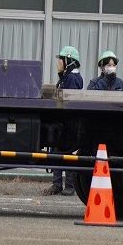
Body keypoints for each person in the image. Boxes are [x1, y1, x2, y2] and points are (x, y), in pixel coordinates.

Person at [48, 45, 84, 194]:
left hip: (69, 123)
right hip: (62, 122)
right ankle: (57, 184)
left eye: (61, 59)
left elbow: (68, 102)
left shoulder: (73, 78)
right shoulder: (66, 77)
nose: (59, 62)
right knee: (57, 152)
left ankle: (69, 186)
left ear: (69, 61)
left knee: (67, 153)